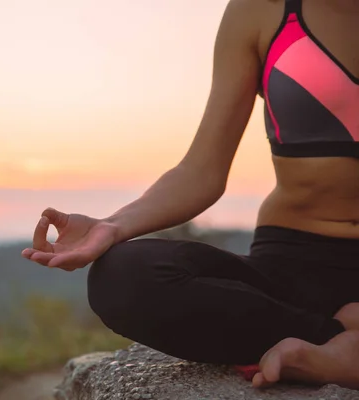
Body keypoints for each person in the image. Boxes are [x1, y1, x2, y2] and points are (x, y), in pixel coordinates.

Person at [21, 0, 359, 390]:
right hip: (292, 263)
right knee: (124, 277)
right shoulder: (262, 10)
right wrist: (112, 226)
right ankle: (336, 340)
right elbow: (202, 172)